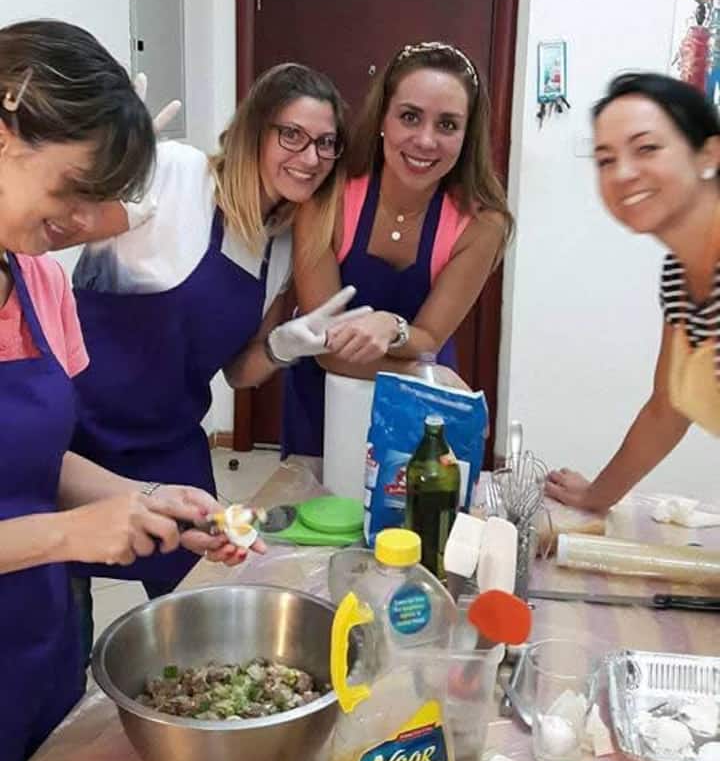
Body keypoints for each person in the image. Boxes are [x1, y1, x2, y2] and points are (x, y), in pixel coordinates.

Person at [0, 19, 232, 761]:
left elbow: (39, 458)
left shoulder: (38, 283)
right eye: (71, 188)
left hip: (38, 648)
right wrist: (76, 532)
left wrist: (150, 501)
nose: (75, 222)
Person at [63, 62, 361, 615]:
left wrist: (281, 349)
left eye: (326, 143)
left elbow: (237, 371)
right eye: (291, 134)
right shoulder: (176, 174)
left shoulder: (281, 251)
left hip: (170, 445)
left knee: (199, 611)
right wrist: (96, 173)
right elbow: (56, 225)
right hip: (76, 436)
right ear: (254, 130)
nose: (311, 156)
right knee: (62, 614)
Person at [282, 41, 514, 455]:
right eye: (410, 117)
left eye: (447, 125)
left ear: (467, 136)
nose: (425, 141)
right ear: (383, 119)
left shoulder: (481, 225)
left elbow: (429, 335)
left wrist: (392, 326)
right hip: (329, 399)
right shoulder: (327, 199)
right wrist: (426, 375)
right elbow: (325, 347)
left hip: (418, 415)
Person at [546, 72, 720, 516]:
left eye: (647, 148)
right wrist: (595, 497)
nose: (623, 173)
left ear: (708, 154)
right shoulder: (681, 275)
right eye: (605, 159)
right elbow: (667, 410)